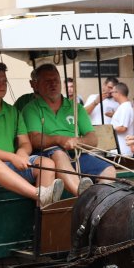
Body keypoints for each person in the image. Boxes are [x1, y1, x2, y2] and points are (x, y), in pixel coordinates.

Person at [0, 62, 63, 207]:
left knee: (47, 163)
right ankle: (39, 194)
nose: (2, 85)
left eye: (4, 81)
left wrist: (21, 154)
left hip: (8, 165)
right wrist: (12, 157)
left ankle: (42, 220)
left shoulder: (13, 111)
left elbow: (25, 143)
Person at [22, 64, 112, 195]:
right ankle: (83, 196)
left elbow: (93, 140)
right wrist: (59, 139)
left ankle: (101, 203)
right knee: (58, 153)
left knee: (109, 170)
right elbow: (35, 139)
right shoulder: (31, 109)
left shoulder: (76, 108)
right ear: (35, 85)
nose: (53, 84)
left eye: (56, 80)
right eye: (47, 81)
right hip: (47, 157)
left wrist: (78, 141)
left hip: (76, 155)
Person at [109, 82, 134, 155]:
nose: (111, 95)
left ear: (118, 93)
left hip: (123, 149)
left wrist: (107, 130)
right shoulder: (124, 106)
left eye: (112, 92)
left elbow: (123, 128)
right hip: (121, 149)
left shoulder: (125, 107)